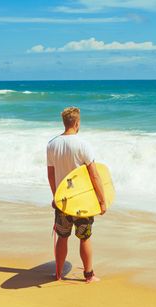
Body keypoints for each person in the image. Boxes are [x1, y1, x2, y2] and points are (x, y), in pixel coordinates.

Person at [47, 106, 106, 283]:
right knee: (85, 237)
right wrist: (102, 201)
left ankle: (58, 274)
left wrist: (55, 196)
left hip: (63, 202)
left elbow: (51, 174)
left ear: (64, 122)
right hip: (82, 202)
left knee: (62, 237)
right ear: (77, 123)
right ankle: (89, 275)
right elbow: (94, 174)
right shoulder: (82, 144)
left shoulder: (52, 144)